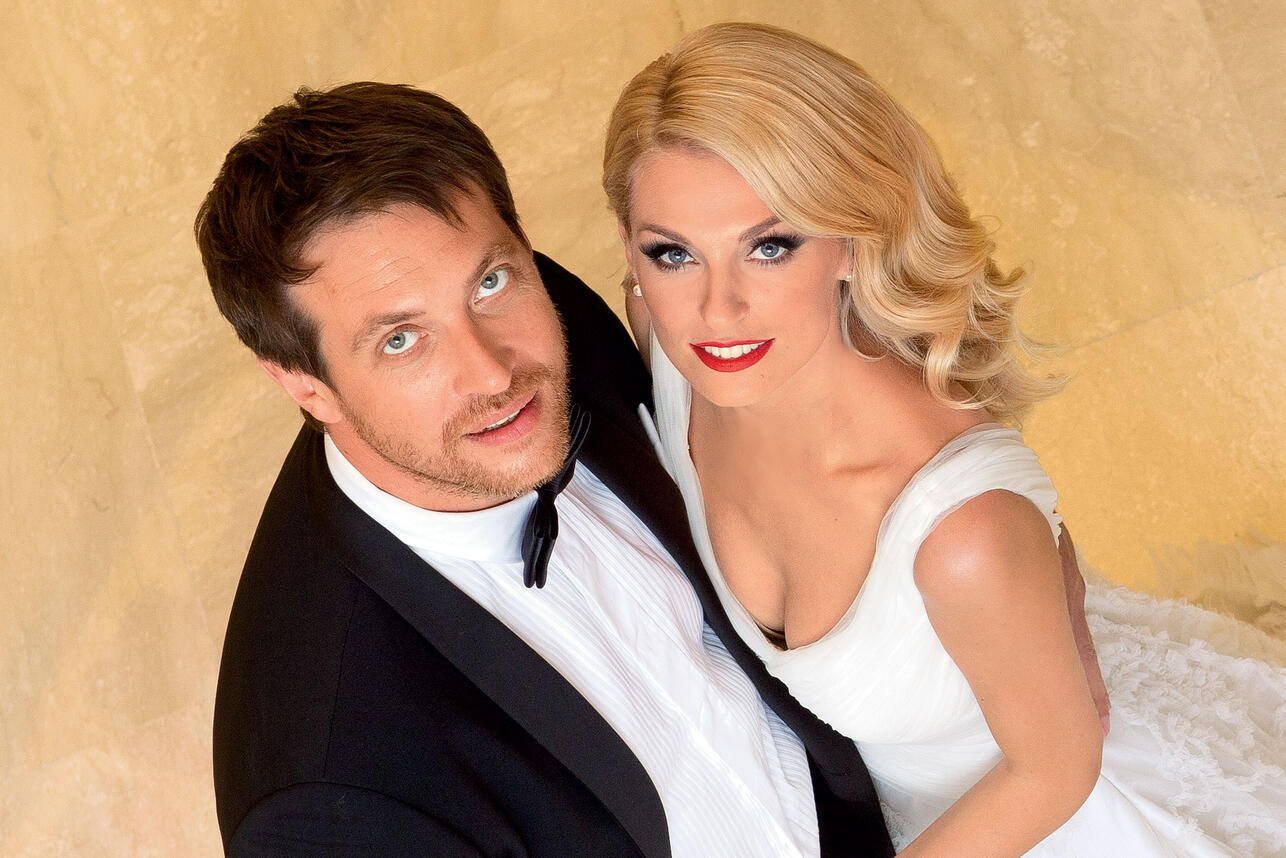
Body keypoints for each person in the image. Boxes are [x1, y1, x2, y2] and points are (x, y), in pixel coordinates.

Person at [602, 21, 1286, 858]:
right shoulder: (671, 350)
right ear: (632, 251)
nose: (719, 310)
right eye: (673, 254)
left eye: (770, 246)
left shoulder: (958, 530)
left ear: (853, 241)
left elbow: (1052, 773)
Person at [195, 81, 897, 857]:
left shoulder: (547, 310)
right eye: (401, 340)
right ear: (304, 385)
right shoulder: (328, 796)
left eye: (490, 283)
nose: (493, 372)